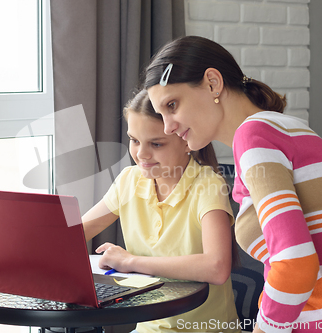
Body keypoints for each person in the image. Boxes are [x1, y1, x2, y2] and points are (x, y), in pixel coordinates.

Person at [142, 35, 322, 333]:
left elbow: (296, 263)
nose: (167, 126)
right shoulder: (282, 128)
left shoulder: (254, 136)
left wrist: (263, 329)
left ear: (213, 83)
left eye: (172, 105)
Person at [82, 89, 240, 333]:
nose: (141, 155)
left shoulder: (208, 185)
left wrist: (132, 262)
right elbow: (77, 233)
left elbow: (216, 267)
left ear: (187, 140)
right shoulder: (129, 180)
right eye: (134, 140)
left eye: (156, 144)